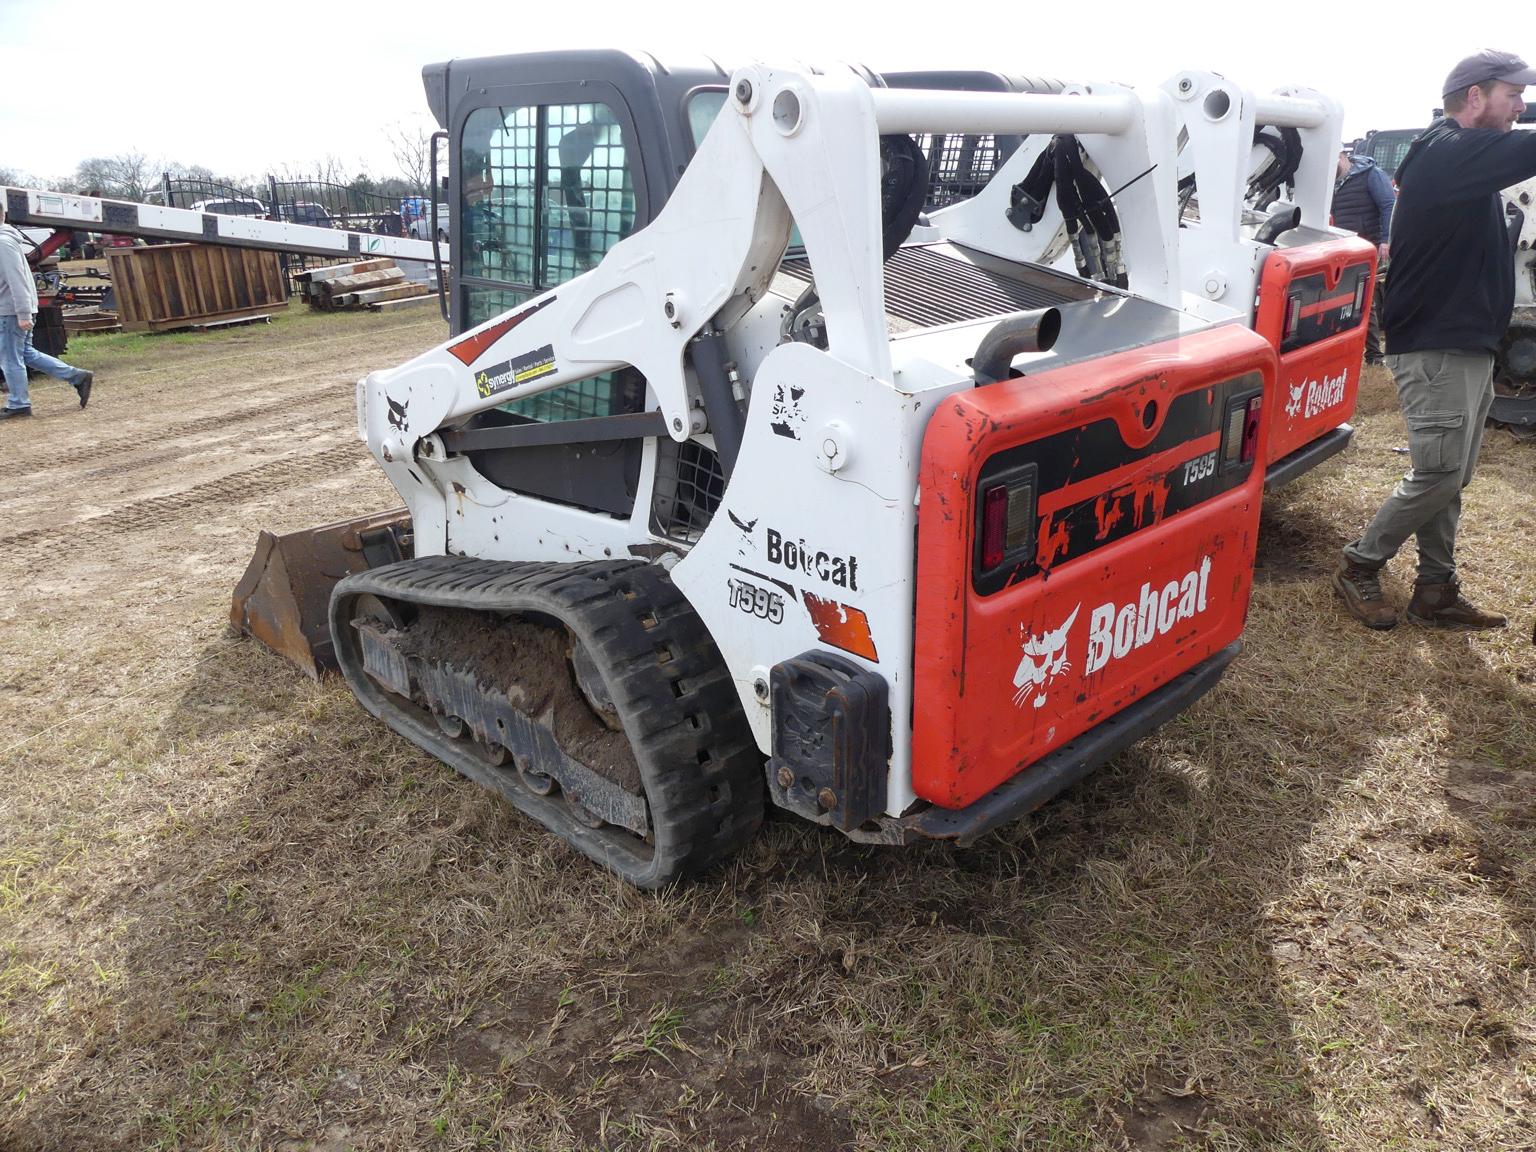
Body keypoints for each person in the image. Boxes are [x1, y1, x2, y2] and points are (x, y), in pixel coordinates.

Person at [1334, 49, 1536, 632]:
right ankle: (1360, 564)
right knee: (1439, 473)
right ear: (1474, 97)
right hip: (1437, 343)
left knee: (1450, 472)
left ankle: (1435, 589)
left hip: (1465, 342)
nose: (1520, 108)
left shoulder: (1462, 157)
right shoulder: (1449, 150)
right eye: (1512, 95)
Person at [0, 202, 94, 420]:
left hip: (11, 311)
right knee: (26, 354)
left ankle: (19, 404)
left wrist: (23, 314)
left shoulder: (3, 244)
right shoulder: (7, 241)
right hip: (14, 309)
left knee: (10, 358)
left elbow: (18, 281)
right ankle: (78, 377)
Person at [1333, 144, 1395, 363]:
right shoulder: (1330, 183)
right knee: (1345, 300)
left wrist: (1386, 240)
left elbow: (1389, 205)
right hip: (1342, 250)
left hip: (1367, 247)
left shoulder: (1370, 175)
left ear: (1340, 156)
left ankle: (1374, 354)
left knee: (1363, 299)